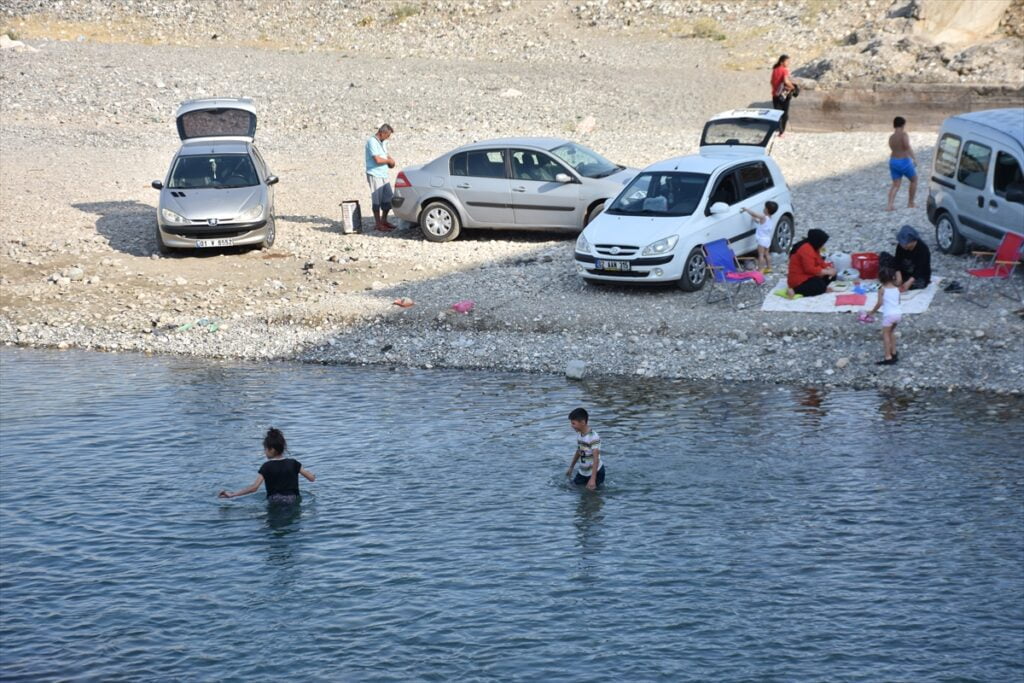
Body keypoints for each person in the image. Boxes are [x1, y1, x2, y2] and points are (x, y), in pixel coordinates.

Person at [218, 428, 315, 503]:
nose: (264, 452)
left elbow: (254, 488)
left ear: (271, 449)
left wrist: (232, 495)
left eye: (265, 449)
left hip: (275, 500)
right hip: (293, 499)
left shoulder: (266, 466)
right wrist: (313, 475)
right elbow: (311, 478)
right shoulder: (294, 463)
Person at [864, 261, 902, 365]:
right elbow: (898, 301)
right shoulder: (897, 289)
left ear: (880, 279)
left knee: (885, 334)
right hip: (898, 314)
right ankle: (894, 352)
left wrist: (871, 312)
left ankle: (888, 357)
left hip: (889, 315)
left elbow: (880, 303)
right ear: (893, 277)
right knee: (891, 332)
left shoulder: (882, 289)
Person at [365, 123, 397, 231]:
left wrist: (391, 161)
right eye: (387, 135)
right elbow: (377, 159)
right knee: (376, 199)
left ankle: (384, 220)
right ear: (382, 133)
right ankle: (378, 223)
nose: (388, 137)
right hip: (375, 174)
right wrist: (388, 161)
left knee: (388, 198)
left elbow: (386, 155)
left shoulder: (384, 142)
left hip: (384, 174)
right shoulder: (372, 142)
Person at [786, 228, 836, 297]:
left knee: (832, 276)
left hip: (809, 275)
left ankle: (822, 287)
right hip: (799, 278)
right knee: (819, 284)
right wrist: (826, 271)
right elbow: (809, 269)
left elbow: (820, 261)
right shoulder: (805, 249)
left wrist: (828, 268)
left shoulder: (814, 247)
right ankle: (795, 290)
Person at [565, 407, 604, 491]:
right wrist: (571, 467)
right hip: (583, 472)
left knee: (592, 495)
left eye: (573, 423)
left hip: (596, 472)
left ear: (582, 422)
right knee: (571, 487)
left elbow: (596, 458)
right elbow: (579, 451)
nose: (571, 426)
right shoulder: (580, 435)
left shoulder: (593, 437)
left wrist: (593, 479)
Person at [886, 117, 917, 211]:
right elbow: (907, 147)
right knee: (914, 180)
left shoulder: (891, 137)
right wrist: (914, 158)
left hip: (893, 161)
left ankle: (889, 205)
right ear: (903, 125)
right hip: (904, 161)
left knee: (896, 184)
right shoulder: (904, 135)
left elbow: (893, 148)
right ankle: (910, 203)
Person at [742, 200, 779, 272]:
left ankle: (760, 269)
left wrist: (746, 209)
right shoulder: (770, 218)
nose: (763, 209)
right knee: (767, 254)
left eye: (765, 208)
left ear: (767, 210)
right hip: (768, 239)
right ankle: (769, 267)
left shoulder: (763, 217)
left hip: (762, 240)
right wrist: (755, 220)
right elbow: (761, 223)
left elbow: (754, 213)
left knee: (761, 255)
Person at [894, 224, 931, 291]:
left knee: (921, 283)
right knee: (884, 258)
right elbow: (897, 261)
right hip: (904, 272)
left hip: (917, 276)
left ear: (913, 241)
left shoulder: (923, 249)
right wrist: (898, 275)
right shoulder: (900, 246)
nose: (902, 245)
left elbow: (920, 269)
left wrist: (909, 282)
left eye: (905, 243)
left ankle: (905, 282)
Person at [771, 54, 796, 136]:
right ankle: (781, 132)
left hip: (775, 95)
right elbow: (786, 81)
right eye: (787, 61)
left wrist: (776, 88)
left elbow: (771, 81)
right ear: (782, 62)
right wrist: (793, 88)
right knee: (784, 114)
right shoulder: (784, 70)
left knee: (777, 113)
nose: (789, 63)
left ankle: (778, 130)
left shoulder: (775, 69)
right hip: (783, 95)